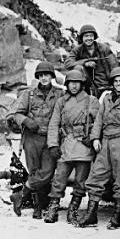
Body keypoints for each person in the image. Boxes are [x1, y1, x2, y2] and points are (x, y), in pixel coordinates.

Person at [77, 67, 120, 229]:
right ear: (112, 83)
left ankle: (117, 216)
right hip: (105, 141)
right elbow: (99, 119)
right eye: (116, 81)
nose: (118, 84)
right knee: (96, 175)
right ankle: (91, 214)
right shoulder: (106, 99)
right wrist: (95, 138)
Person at [6, 61, 63, 219]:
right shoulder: (29, 94)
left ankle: (22, 193)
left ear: (52, 76)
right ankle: (38, 207)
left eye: (47, 75)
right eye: (41, 75)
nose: (44, 78)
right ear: (38, 77)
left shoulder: (59, 94)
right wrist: (26, 121)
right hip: (32, 138)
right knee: (35, 171)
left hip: (51, 139)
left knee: (47, 172)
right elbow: (15, 114)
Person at [44, 70, 100, 225]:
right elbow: (54, 124)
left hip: (84, 144)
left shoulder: (91, 101)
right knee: (59, 177)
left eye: (77, 83)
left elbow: (99, 122)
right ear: (66, 85)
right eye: (70, 83)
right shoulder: (61, 102)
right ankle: (53, 207)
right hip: (66, 143)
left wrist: (93, 136)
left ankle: (73, 209)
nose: (74, 86)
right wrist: (53, 144)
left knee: (81, 180)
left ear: (82, 84)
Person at [64, 24, 117, 97]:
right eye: (86, 36)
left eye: (91, 36)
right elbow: (68, 63)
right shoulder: (77, 50)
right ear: (82, 37)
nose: (89, 38)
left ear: (94, 37)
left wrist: (114, 82)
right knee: (78, 68)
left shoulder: (104, 48)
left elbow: (114, 65)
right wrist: (85, 63)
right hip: (86, 84)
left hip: (104, 83)